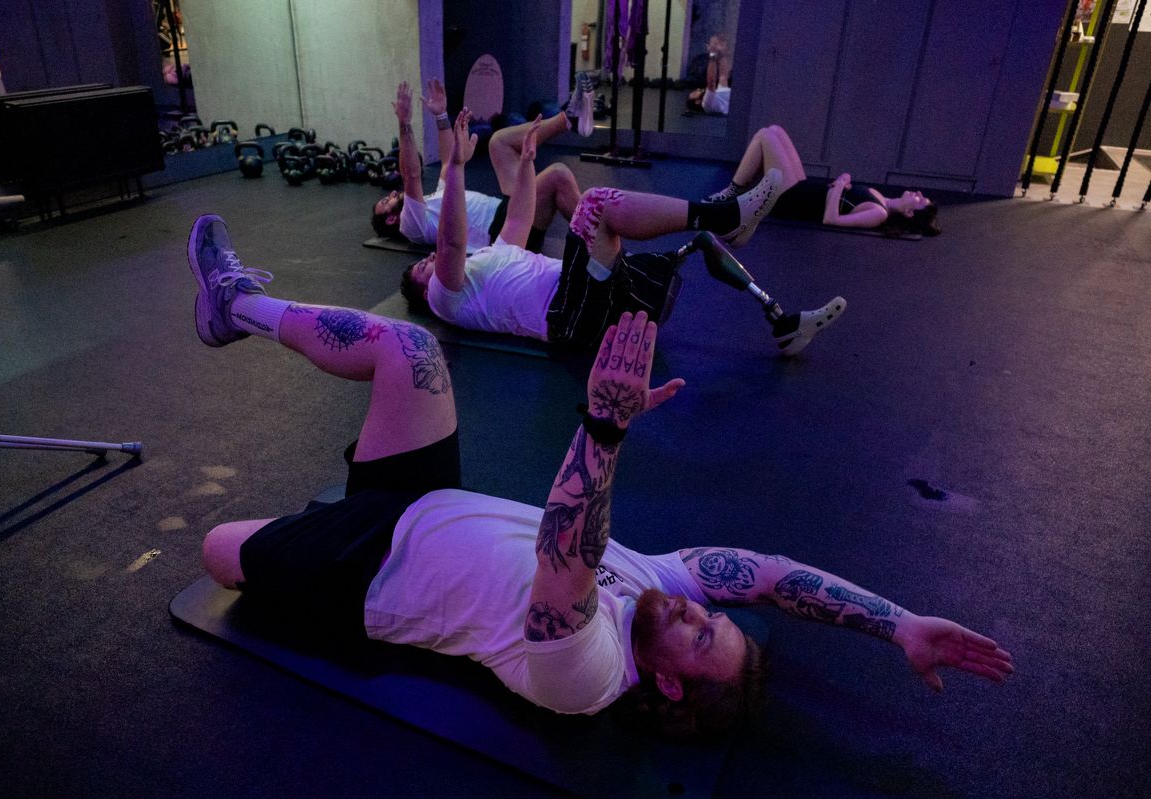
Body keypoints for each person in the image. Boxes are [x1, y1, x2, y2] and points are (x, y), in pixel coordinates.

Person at [187, 212, 1015, 738]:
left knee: (218, 552)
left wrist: (605, 431)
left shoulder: (584, 677)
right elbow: (766, 578)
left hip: (364, 566)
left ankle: (269, 533)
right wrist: (896, 622)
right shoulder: (658, 587)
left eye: (699, 636)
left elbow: (564, 562)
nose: (699, 610)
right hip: (425, 496)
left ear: (667, 683)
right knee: (409, 346)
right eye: (710, 619)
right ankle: (232, 309)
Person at [402, 108, 842, 357]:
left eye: (422, 263)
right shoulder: (446, 298)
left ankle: (780, 317)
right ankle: (724, 216)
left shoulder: (488, 258)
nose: (426, 265)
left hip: (584, 294)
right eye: (421, 270)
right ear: (424, 292)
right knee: (595, 203)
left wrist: (528, 161)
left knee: (606, 211)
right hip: (569, 318)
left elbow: (518, 220)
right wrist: (456, 166)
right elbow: (452, 243)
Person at [372, 75, 594, 252]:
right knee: (557, 175)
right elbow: (411, 175)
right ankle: (601, 244)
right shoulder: (411, 225)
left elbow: (449, 161)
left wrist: (441, 116)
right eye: (386, 201)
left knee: (498, 143)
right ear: (391, 219)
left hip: (507, 210)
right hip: (505, 232)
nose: (391, 193)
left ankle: (569, 120)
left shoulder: (434, 202)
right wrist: (404, 123)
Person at [705, 125, 941, 237]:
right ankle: (739, 192)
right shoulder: (884, 199)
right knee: (775, 130)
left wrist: (840, 184)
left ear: (910, 213)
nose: (917, 193)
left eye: (920, 199)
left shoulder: (879, 213)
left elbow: (831, 219)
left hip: (790, 199)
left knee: (765, 137)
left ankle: (732, 192)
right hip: (804, 188)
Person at [687, 34, 731, 116]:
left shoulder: (718, 94)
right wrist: (712, 54)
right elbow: (711, 82)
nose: (697, 90)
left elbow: (723, 76)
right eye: (693, 94)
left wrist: (722, 53)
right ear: (697, 101)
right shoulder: (706, 104)